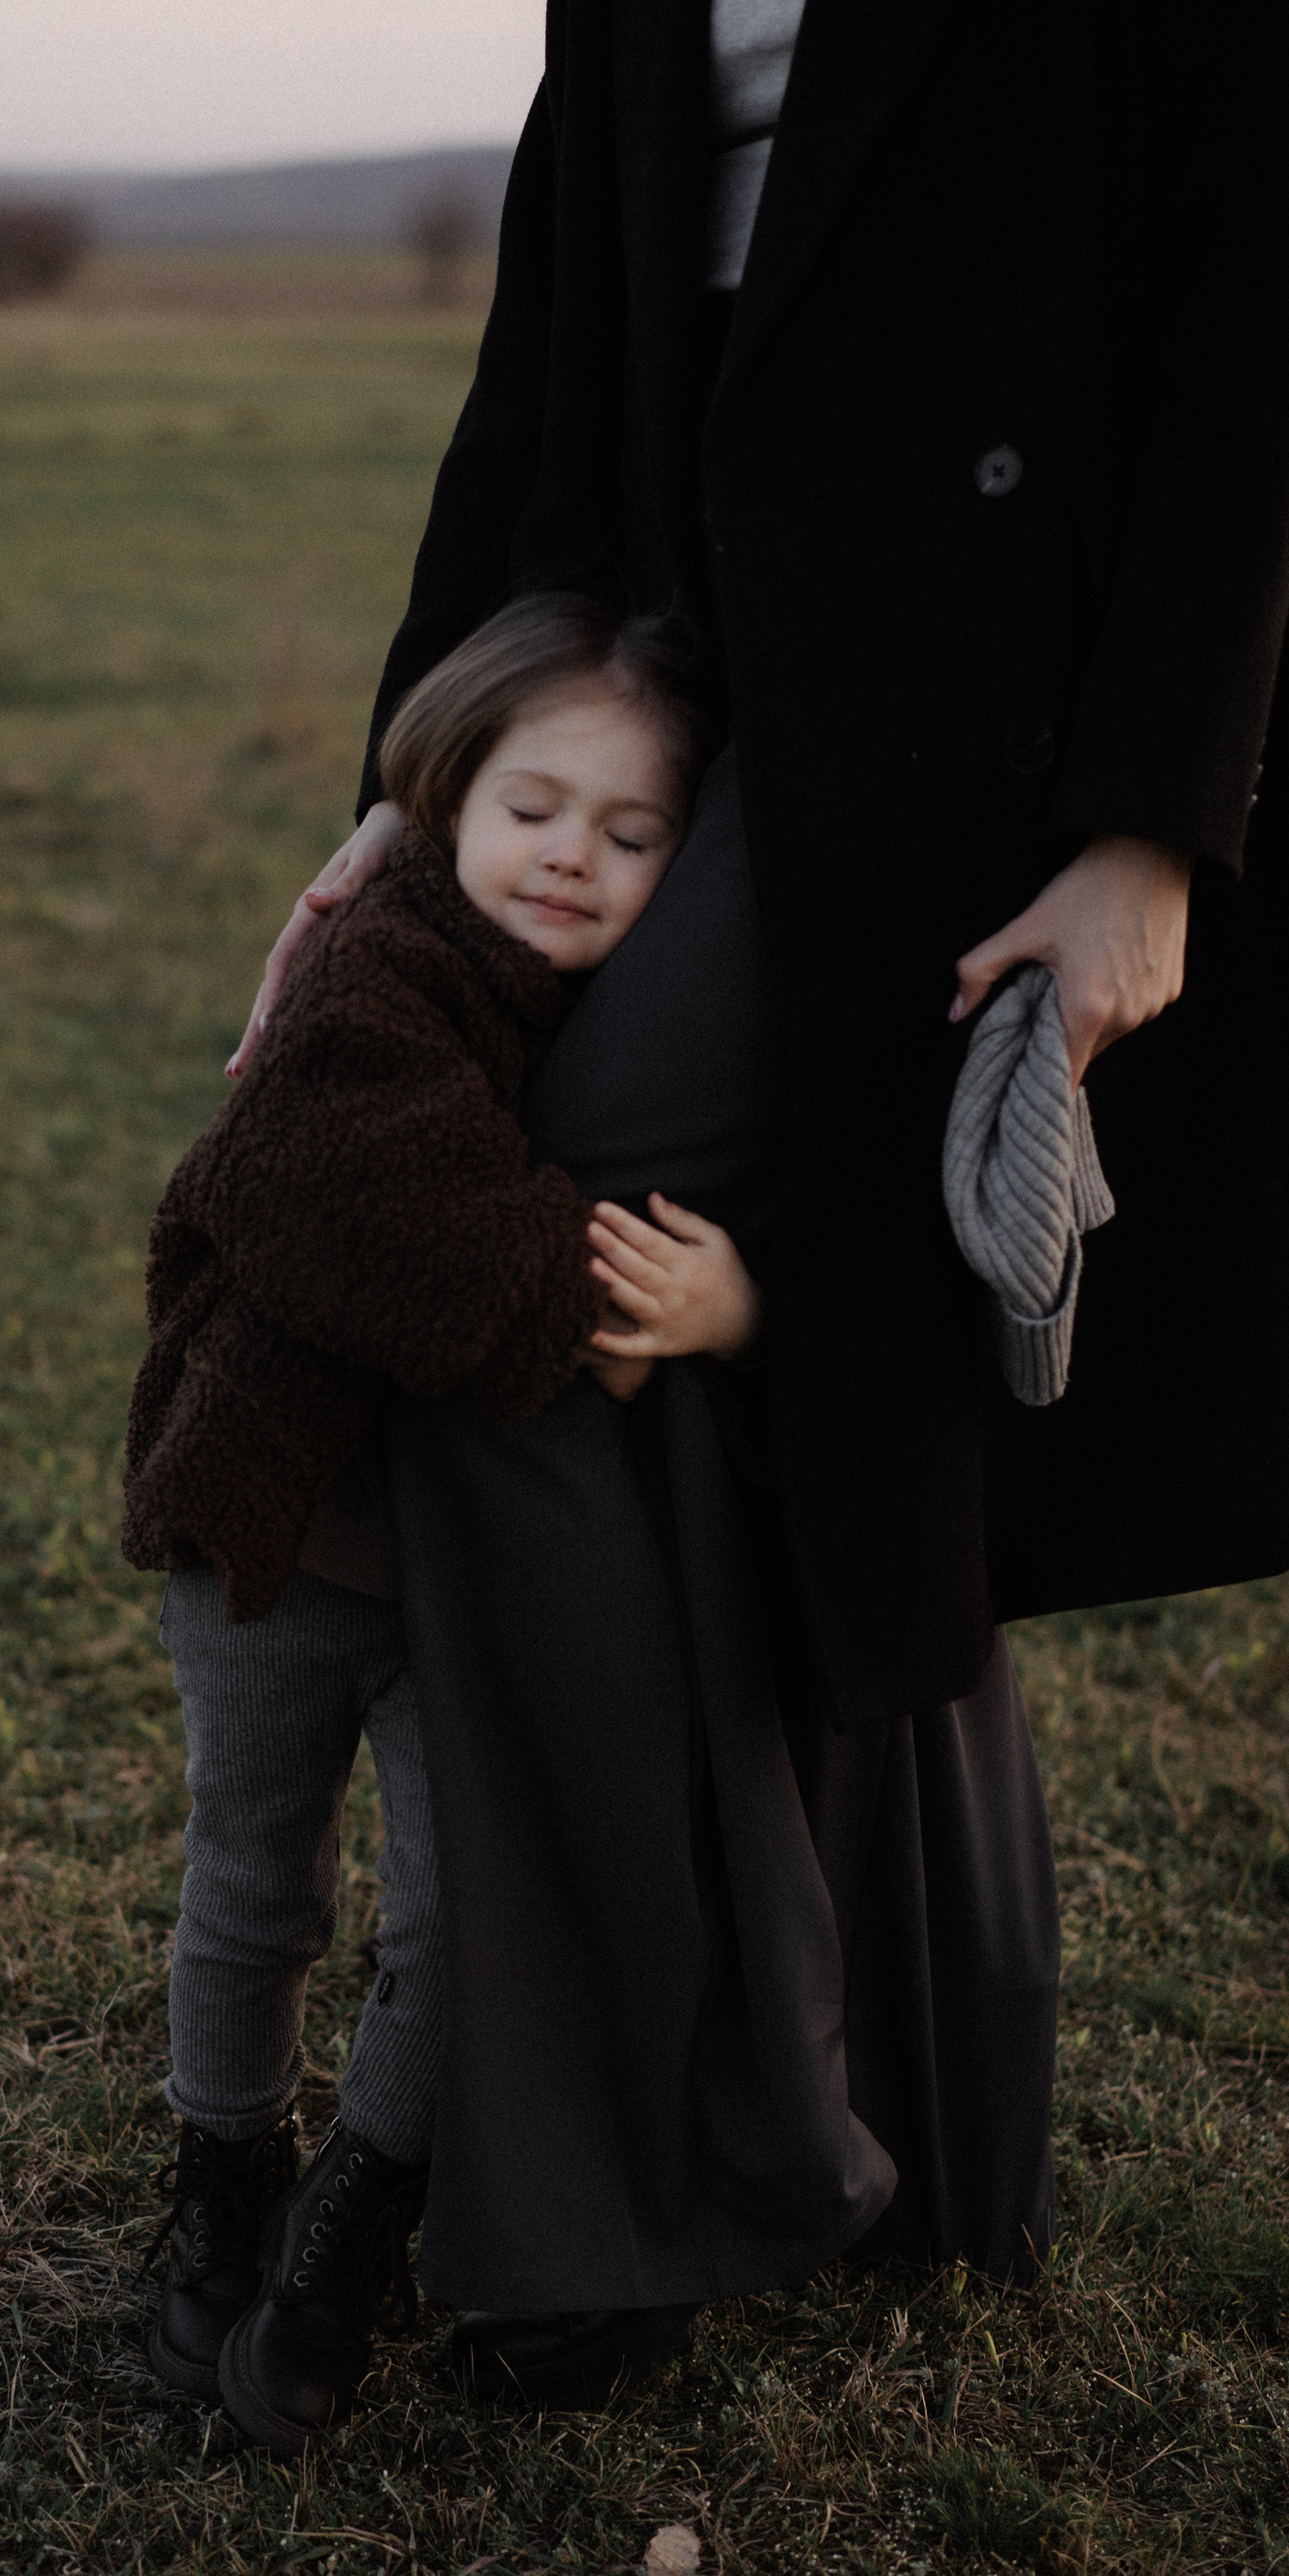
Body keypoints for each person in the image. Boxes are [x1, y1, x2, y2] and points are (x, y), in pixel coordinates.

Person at [229, 0, 1289, 2397]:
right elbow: (551, 323)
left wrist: (1152, 817)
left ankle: (650, 2177)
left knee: (549, 1272)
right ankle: (874, 2093)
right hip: (666, 643)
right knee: (632, 1317)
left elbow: (1254, 306)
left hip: (988, 693)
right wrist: (428, 767)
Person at [127, 592, 759, 2451]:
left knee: (462, 1914)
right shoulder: (378, 965)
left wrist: (739, 1300)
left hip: (473, 1581)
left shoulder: (652, 1028)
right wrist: (599, 1320)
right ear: (433, 804)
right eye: (532, 807)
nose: (571, 857)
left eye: (632, 836)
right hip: (278, 1532)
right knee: (254, 1884)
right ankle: (222, 2177)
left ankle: (351, 2225)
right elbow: (340, 1200)